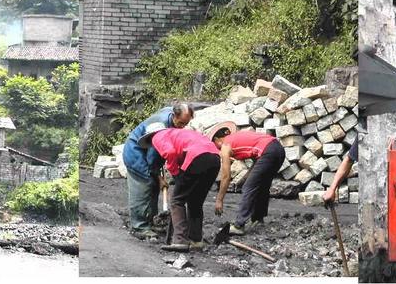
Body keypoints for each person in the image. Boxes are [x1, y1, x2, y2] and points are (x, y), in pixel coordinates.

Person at [138, 123, 220, 252]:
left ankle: (180, 240)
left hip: (196, 158)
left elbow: (169, 152)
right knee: (195, 201)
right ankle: (196, 240)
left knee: (177, 201)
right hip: (215, 158)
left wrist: (175, 172)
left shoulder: (158, 136)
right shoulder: (179, 134)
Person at [122, 103, 194, 239]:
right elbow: (153, 157)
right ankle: (140, 226)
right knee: (144, 185)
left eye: (186, 124)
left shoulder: (170, 115)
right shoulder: (160, 128)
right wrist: (158, 176)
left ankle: (152, 220)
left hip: (148, 153)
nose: (182, 127)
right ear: (174, 116)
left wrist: (159, 178)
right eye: (181, 123)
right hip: (136, 153)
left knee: (154, 186)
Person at [207, 122, 285, 235]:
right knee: (262, 185)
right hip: (278, 149)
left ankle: (239, 225)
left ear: (218, 139)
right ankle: (258, 218)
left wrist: (219, 200)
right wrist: (246, 177)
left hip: (268, 152)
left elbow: (226, 176)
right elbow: (257, 160)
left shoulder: (225, 145)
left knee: (248, 187)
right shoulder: (238, 137)